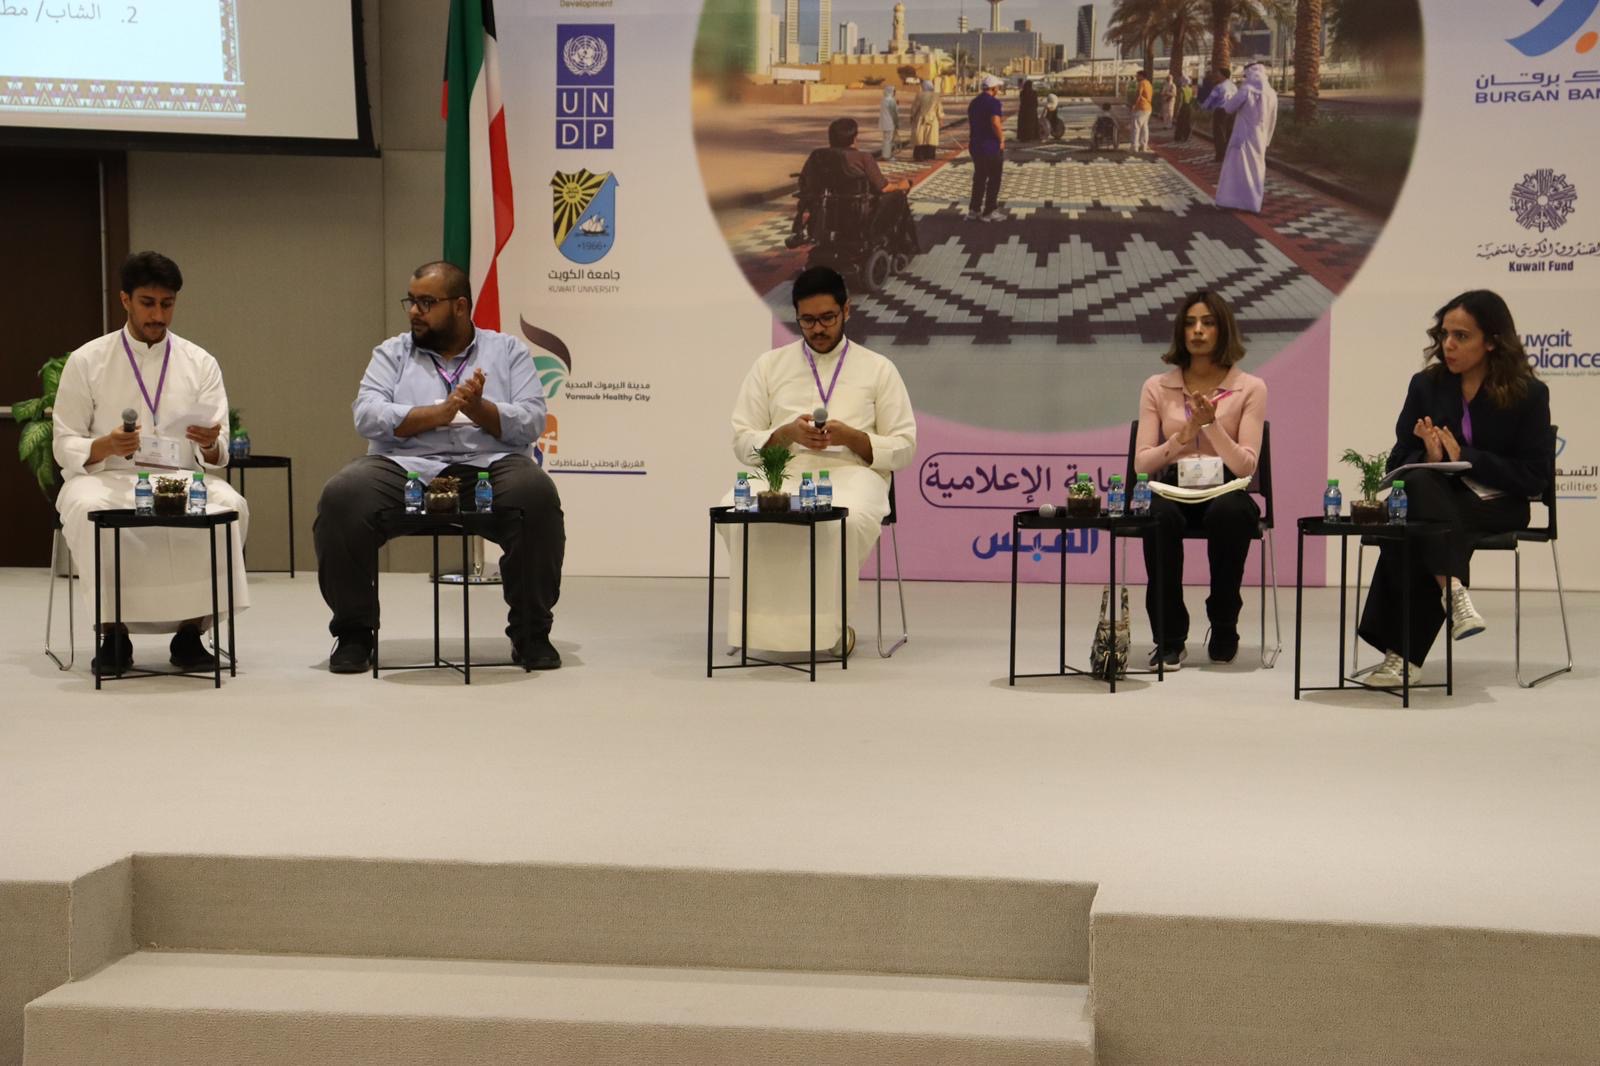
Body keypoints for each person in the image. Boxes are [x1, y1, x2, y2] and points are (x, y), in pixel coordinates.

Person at [314, 261, 565, 673]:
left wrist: (480, 409)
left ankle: (531, 632)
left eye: (427, 302)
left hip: (488, 464)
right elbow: (367, 415)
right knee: (343, 496)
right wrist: (437, 414)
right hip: (406, 465)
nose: (415, 311)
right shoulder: (392, 353)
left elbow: (533, 419)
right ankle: (354, 634)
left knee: (536, 495)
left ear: (460, 306)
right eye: (411, 301)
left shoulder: (507, 352)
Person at [52, 251, 250, 676]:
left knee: (230, 506)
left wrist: (210, 444)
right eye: (147, 303)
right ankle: (113, 634)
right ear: (125, 299)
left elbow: (218, 453)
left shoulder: (200, 363)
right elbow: (64, 442)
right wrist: (105, 445)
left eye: (167, 304)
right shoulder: (88, 360)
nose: (158, 315)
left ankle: (192, 632)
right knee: (88, 510)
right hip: (109, 475)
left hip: (179, 476)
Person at [1356, 291, 1551, 687]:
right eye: (1444, 334)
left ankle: (1401, 656)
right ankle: (1454, 592)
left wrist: (1468, 457)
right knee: (1418, 493)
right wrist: (1427, 455)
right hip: (1439, 500)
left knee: (1417, 520)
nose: (1448, 345)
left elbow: (1534, 477)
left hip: (1499, 504)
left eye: (1461, 336)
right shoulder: (1426, 385)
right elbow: (1398, 460)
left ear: (1491, 341)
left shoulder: (1528, 394)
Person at [722, 266, 917, 657]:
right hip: (784, 472)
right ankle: (761, 625)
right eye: (807, 320)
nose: (818, 329)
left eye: (827, 317)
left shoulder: (878, 368)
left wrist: (851, 437)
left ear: (847, 310)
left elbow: (904, 446)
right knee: (734, 511)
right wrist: (784, 435)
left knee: (843, 521)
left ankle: (832, 625)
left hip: (853, 474)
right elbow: (742, 440)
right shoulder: (769, 366)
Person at [1134, 291, 1267, 669]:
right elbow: (1142, 464)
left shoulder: (1251, 387)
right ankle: (1169, 638)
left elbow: (1246, 467)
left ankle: (1224, 626)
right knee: (1157, 517)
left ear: (1223, 330)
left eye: (1207, 323)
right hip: (1172, 484)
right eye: (1190, 323)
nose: (1197, 331)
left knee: (1230, 513)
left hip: (1226, 485)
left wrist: (1210, 426)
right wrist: (1183, 435)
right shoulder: (1157, 387)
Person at [1215, 63, 1278, 214]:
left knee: (1237, 168)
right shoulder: (1271, 93)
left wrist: (1228, 98)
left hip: (1242, 137)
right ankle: (1253, 203)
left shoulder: (1246, 90)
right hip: (1260, 137)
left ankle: (1231, 200)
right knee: (1256, 169)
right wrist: (1267, 139)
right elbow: (1273, 119)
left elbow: (1229, 108)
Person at [966, 74, 1006, 221]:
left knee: (979, 178)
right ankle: (989, 211)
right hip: (990, 146)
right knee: (994, 178)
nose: (998, 90)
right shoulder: (994, 103)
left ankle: (974, 210)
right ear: (993, 88)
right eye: (998, 87)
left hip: (975, 145)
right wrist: (1001, 138)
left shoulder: (974, 102)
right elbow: (995, 122)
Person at [1199, 66, 1236, 164]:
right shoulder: (1234, 86)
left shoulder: (1219, 87)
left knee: (1219, 133)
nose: (1217, 76)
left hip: (1221, 112)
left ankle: (1220, 156)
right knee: (1229, 133)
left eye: (1218, 74)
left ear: (1223, 75)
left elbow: (1210, 99)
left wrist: (1203, 107)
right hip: (1232, 112)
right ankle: (1229, 155)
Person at [910, 79, 944, 161]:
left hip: (920, 119)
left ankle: (919, 156)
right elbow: (939, 109)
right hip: (933, 120)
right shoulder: (936, 96)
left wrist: (912, 116)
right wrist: (940, 119)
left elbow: (915, 108)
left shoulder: (920, 95)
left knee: (920, 138)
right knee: (931, 138)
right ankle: (930, 155)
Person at [1131, 70, 1153, 153]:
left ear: (1142, 76)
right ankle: (1144, 145)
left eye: (1137, 76)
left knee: (1136, 127)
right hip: (1148, 107)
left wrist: (1134, 105)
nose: (1136, 77)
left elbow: (1138, 95)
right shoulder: (1148, 84)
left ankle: (1135, 146)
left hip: (1141, 107)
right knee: (1144, 127)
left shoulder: (1141, 83)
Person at [878, 84, 900, 161]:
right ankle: (887, 156)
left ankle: (885, 155)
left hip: (884, 124)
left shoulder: (884, 100)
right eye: (894, 91)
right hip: (890, 123)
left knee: (885, 140)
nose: (894, 93)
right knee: (889, 141)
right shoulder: (891, 100)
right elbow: (894, 113)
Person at [1173, 75, 1195, 142]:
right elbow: (1192, 99)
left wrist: (1177, 110)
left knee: (1180, 122)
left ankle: (1179, 137)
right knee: (1187, 122)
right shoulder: (1191, 89)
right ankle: (1185, 136)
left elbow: (1180, 100)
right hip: (1189, 107)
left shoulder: (1182, 89)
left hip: (1183, 107)